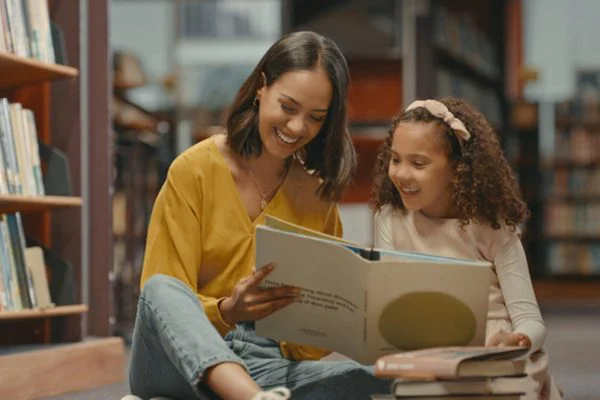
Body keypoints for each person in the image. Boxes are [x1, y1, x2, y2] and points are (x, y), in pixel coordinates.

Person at [127, 31, 391, 400]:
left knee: (371, 378)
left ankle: (238, 394)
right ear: (261, 87)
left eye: (316, 117)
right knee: (161, 288)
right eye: (288, 107)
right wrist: (228, 311)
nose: (297, 128)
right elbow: (162, 307)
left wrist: (333, 321)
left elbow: (307, 350)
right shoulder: (194, 169)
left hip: (267, 363)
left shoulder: (317, 198)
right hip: (175, 360)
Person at [370, 98, 563, 400]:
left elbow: (530, 319)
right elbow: (390, 304)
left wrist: (519, 340)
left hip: (492, 356)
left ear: (457, 170)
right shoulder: (389, 219)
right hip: (427, 356)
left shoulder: (492, 227)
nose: (402, 174)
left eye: (418, 163)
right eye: (395, 159)